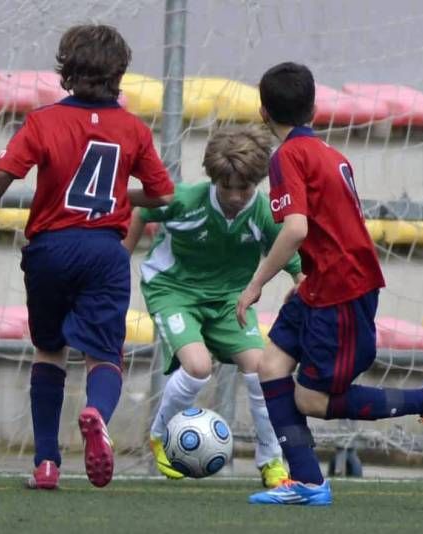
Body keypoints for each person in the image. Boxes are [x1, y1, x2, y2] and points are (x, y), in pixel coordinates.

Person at [235, 62, 423, 506]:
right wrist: (307, 277)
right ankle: (307, 482)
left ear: (263, 114)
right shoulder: (331, 155)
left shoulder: (287, 156)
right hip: (323, 283)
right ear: (315, 108)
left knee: (313, 400)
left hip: (340, 291)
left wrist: (255, 284)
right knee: (270, 367)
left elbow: (296, 228)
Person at [0, 24, 174, 490]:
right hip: (104, 250)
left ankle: (45, 463)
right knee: (104, 355)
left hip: (50, 249)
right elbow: (162, 194)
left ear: (67, 70)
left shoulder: (43, 121)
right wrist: (123, 197)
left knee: (48, 349)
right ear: (119, 73)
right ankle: (96, 412)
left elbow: (5, 170)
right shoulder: (133, 129)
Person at [123, 125, 302, 489]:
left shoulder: (265, 213)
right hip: (174, 291)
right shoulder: (184, 199)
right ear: (213, 179)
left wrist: (300, 282)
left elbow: (290, 254)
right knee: (198, 366)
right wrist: (120, 255)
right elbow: (140, 209)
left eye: (244, 188)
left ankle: (272, 461)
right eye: (227, 187)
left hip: (228, 301)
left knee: (262, 369)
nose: (236, 195)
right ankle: (159, 437)